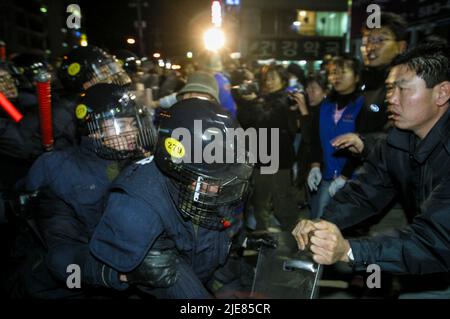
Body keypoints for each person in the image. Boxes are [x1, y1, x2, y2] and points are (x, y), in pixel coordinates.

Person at [292, 44, 450, 290]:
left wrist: (350, 250)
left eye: (403, 88)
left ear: (442, 93)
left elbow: (437, 239)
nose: (391, 98)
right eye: (389, 88)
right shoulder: (399, 141)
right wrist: (322, 224)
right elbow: (366, 192)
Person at [89, 98, 254, 298]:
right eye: (214, 180)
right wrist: (125, 274)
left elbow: (211, 244)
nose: (219, 189)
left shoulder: (194, 184)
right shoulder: (138, 206)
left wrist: (245, 242)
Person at [18, 83, 156, 298]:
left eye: (133, 124)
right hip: (69, 287)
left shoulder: (139, 163)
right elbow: (62, 255)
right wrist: (118, 274)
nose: (131, 133)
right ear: (93, 131)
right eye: (121, 124)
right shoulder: (59, 169)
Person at [307, 55, 363, 219]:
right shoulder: (325, 105)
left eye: (343, 72)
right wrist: (315, 166)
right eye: (333, 72)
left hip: (353, 179)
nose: (336, 77)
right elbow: (316, 138)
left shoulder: (362, 104)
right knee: (319, 219)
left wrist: (345, 176)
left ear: (357, 76)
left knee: (346, 225)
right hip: (327, 175)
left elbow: (364, 143)